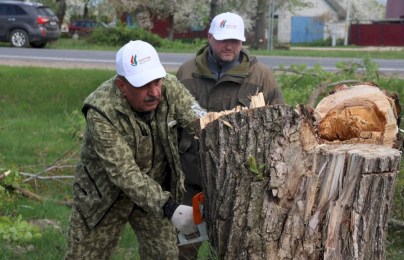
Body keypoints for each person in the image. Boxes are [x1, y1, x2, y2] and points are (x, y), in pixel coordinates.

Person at [65, 40, 207, 259]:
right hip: (103, 198)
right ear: (122, 86)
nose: (154, 92)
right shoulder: (101, 110)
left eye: (156, 82)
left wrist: (220, 132)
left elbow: (199, 121)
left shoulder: (170, 86)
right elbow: (123, 171)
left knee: (165, 255)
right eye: (143, 86)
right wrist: (170, 208)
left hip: (154, 190)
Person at [176, 12, 285, 257]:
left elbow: (280, 125)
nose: (229, 46)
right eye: (223, 39)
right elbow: (171, 124)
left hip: (240, 182)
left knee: (235, 247)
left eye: (235, 40)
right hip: (193, 180)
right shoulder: (186, 72)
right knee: (182, 248)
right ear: (210, 37)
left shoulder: (261, 76)